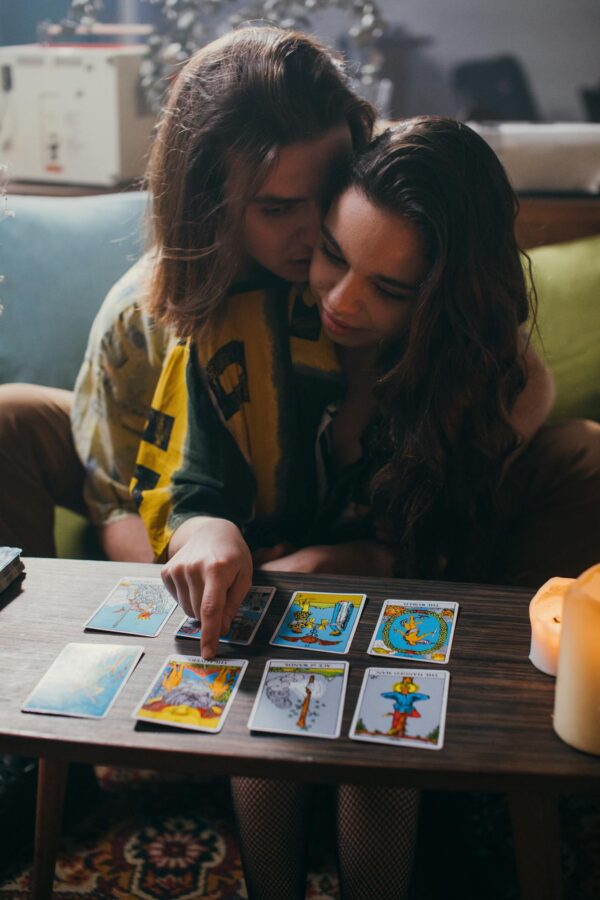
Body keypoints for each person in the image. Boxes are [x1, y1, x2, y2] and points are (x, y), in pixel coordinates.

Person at [132, 116, 600, 899]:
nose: (341, 302)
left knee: (383, 761)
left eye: (389, 289)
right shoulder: (239, 325)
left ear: (446, 300)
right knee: (275, 735)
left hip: (403, 641)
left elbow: (462, 547)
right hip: (268, 647)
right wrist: (208, 531)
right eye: (333, 256)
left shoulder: (484, 374)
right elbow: (192, 490)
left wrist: (370, 561)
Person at [0, 24, 375, 561]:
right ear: (208, 200)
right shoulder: (140, 314)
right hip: (184, 527)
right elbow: (118, 499)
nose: (317, 231)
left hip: (334, 524)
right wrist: (191, 574)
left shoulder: (375, 271)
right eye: (277, 208)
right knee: (10, 416)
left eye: (334, 190)